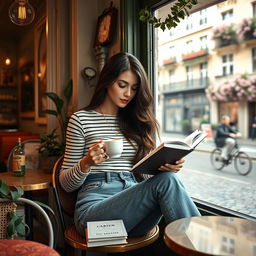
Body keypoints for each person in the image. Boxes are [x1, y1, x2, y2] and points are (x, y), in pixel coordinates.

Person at [59, 52, 200, 238]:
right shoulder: (81, 120)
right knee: (167, 182)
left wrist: (167, 167)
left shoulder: (137, 121)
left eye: (134, 88)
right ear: (108, 81)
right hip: (93, 213)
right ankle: (200, 243)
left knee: (168, 179)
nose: (128, 94)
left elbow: (145, 178)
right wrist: (86, 163)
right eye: (122, 85)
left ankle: (198, 244)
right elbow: (66, 185)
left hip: (135, 213)